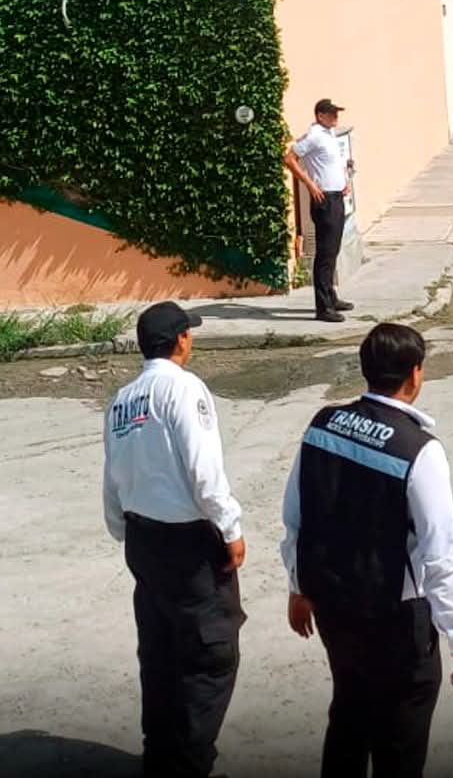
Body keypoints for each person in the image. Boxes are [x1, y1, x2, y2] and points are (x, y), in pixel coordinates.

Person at [280, 322, 453, 778]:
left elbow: (297, 517)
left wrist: (298, 586)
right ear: (415, 375)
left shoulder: (322, 425)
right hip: (395, 622)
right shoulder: (420, 450)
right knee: (400, 736)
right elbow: (441, 552)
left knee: (349, 712)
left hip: (333, 609)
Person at [103, 301, 247, 778]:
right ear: (180, 340)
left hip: (143, 540)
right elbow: (204, 471)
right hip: (189, 546)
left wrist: (125, 532)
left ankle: (161, 758)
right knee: (208, 657)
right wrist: (230, 526)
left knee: (161, 653)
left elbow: (113, 475)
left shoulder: (122, 399)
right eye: (190, 333)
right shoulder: (184, 389)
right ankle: (188, 764)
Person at [285, 98, 354, 323]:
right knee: (324, 253)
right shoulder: (314, 136)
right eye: (332, 114)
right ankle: (323, 307)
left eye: (336, 114)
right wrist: (310, 184)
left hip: (336, 196)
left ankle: (331, 297)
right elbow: (290, 158)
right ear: (320, 115)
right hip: (324, 199)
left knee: (332, 249)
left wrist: (343, 180)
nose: (336, 117)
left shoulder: (329, 135)